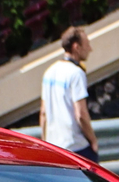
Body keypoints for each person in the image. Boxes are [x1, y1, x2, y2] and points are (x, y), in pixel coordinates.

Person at [40, 26, 98, 162]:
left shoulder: (49, 72)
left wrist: (45, 142)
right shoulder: (76, 73)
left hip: (54, 147)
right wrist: (93, 140)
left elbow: (43, 113)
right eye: (87, 45)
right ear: (76, 47)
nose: (90, 49)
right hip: (75, 147)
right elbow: (81, 114)